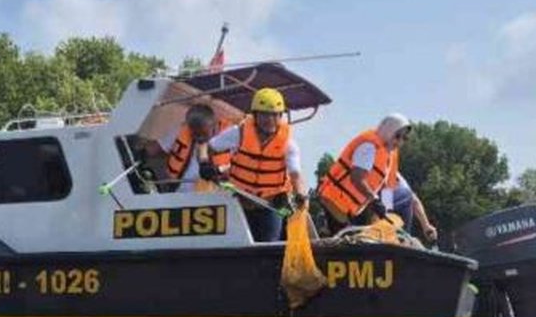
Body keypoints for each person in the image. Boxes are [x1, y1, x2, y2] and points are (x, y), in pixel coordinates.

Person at [202, 88, 307, 242]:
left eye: (274, 115)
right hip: (238, 203)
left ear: (280, 116)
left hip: (270, 206)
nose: (269, 119)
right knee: (233, 244)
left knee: (269, 246)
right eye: (264, 114)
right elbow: (207, 147)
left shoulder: (289, 144)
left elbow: (296, 175)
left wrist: (300, 194)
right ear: (255, 115)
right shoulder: (238, 133)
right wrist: (204, 164)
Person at [315, 113, 437, 243]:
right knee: (344, 243)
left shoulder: (388, 158)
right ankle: (327, 231)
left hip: (352, 209)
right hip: (335, 202)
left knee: (354, 238)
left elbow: (387, 192)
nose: (400, 142)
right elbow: (356, 178)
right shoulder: (369, 147)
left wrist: (384, 220)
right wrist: (375, 201)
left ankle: (393, 243)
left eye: (404, 138)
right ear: (388, 131)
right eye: (397, 136)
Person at [157, 103, 233, 192]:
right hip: (178, 195)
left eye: (203, 133)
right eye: (196, 134)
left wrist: (218, 171)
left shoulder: (229, 138)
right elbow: (157, 147)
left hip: (212, 199)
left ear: (214, 126)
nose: (200, 137)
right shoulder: (182, 131)